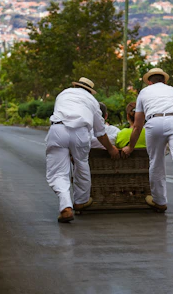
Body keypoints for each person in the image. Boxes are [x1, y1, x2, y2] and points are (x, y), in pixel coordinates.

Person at [122, 68, 173, 223]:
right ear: (165, 81)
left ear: (149, 81)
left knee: (156, 162)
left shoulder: (144, 93)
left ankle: (160, 202)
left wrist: (130, 147)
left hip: (154, 122)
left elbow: (137, 125)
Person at [46, 77, 120, 223]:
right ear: (90, 91)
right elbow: (100, 132)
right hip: (80, 132)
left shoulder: (64, 93)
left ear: (76, 86)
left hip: (58, 129)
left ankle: (66, 207)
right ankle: (80, 201)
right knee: (81, 165)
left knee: (59, 172)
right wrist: (111, 149)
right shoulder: (92, 101)